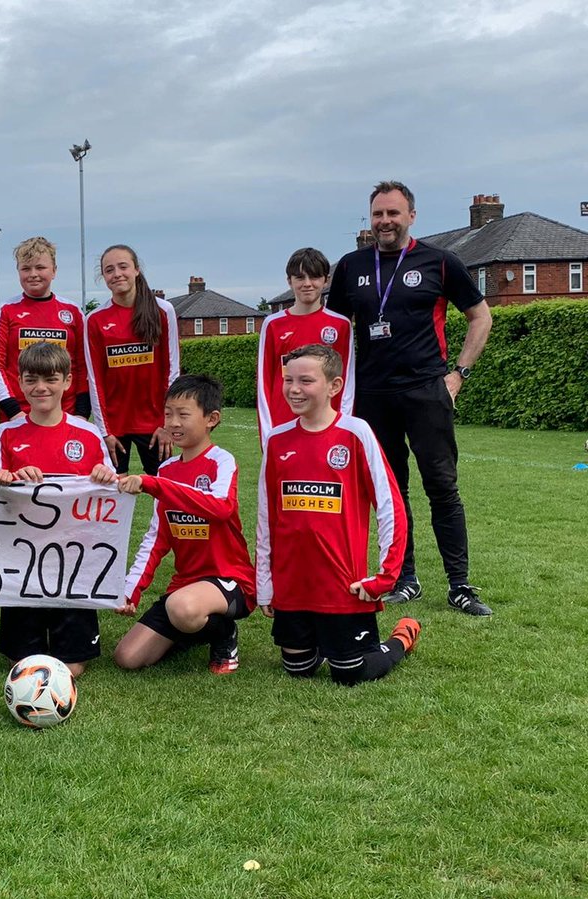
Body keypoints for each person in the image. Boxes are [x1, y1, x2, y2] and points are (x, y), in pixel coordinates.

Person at [327, 181, 494, 615]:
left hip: (426, 391)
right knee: (391, 491)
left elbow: (480, 316)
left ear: (411, 216)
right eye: (378, 214)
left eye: (393, 214)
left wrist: (459, 374)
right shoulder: (350, 266)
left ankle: (460, 585)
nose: (385, 221)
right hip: (372, 395)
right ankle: (405, 578)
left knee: (442, 488)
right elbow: (335, 330)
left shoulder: (439, 261)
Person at [256, 344, 421, 686]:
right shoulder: (276, 440)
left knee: (350, 675)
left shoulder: (355, 432)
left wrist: (387, 577)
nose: (294, 389)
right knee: (297, 671)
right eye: (288, 380)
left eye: (306, 380)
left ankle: (402, 637)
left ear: (334, 385)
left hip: (344, 587)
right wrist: (265, 585)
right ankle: (318, 641)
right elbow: (265, 517)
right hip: (292, 586)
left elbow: (390, 506)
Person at [111, 375, 256, 675]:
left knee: (182, 608)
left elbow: (220, 507)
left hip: (230, 582)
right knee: (128, 657)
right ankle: (191, 628)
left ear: (211, 419)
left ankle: (223, 633)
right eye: (168, 413)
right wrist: (130, 590)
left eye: (183, 414)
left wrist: (158, 486)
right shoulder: (166, 470)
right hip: (186, 587)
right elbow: (156, 538)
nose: (173, 422)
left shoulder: (222, 462)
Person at [0, 342, 114, 677]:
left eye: (50, 379)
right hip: (24, 556)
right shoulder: (5, 433)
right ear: (20, 383)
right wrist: (8, 480)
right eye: (31, 380)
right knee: (23, 664)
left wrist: (105, 477)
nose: (40, 387)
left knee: (72, 667)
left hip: (73, 557)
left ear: (67, 381)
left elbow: (109, 493)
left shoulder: (87, 434)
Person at [84, 244, 180, 474]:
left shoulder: (163, 311)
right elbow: (95, 380)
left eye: (123, 266)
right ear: (104, 277)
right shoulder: (94, 320)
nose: (116, 274)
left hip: (156, 425)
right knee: (115, 496)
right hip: (115, 428)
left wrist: (167, 423)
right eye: (109, 270)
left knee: (164, 491)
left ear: (137, 270)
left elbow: (172, 371)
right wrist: (104, 432)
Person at [0, 236, 90, 423]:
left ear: (54, 271)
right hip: (18, 417)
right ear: (18, 272)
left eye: (40, 267)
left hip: (66, 416)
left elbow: (84, 366)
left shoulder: (73, 312)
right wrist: (13, 411)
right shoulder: (5, 311)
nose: (33, 274)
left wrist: (81, 413)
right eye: (26, 268)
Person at [256, 248, 354, 443]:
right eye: (300, 277)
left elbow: (347, 380)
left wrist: (344, 425)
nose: (307, 284)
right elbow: (264, 381)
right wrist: (268, 435)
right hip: (282, 423)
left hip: (327, 425)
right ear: (289, 281)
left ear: (326, 280)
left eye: (315, 277)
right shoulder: (273, 324)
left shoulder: (341, 325)